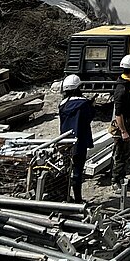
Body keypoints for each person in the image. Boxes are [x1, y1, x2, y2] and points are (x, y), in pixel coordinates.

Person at [58, 74, 94, 203]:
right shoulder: (83, 104)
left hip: (64, 142)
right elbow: (89, 118)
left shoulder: (62, 105)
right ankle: (78, 200)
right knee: (77, 171)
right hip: (79, 142)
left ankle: (65, 196)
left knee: (66, 170)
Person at [111, 54, 130, 187]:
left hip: (129, 124)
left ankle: (122, 178)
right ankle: (116, 181)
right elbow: (118, 114)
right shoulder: (122, 89)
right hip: (124, 127)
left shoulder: (128, 84)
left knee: (125, 154)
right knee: (120, 155)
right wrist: (123, 131)